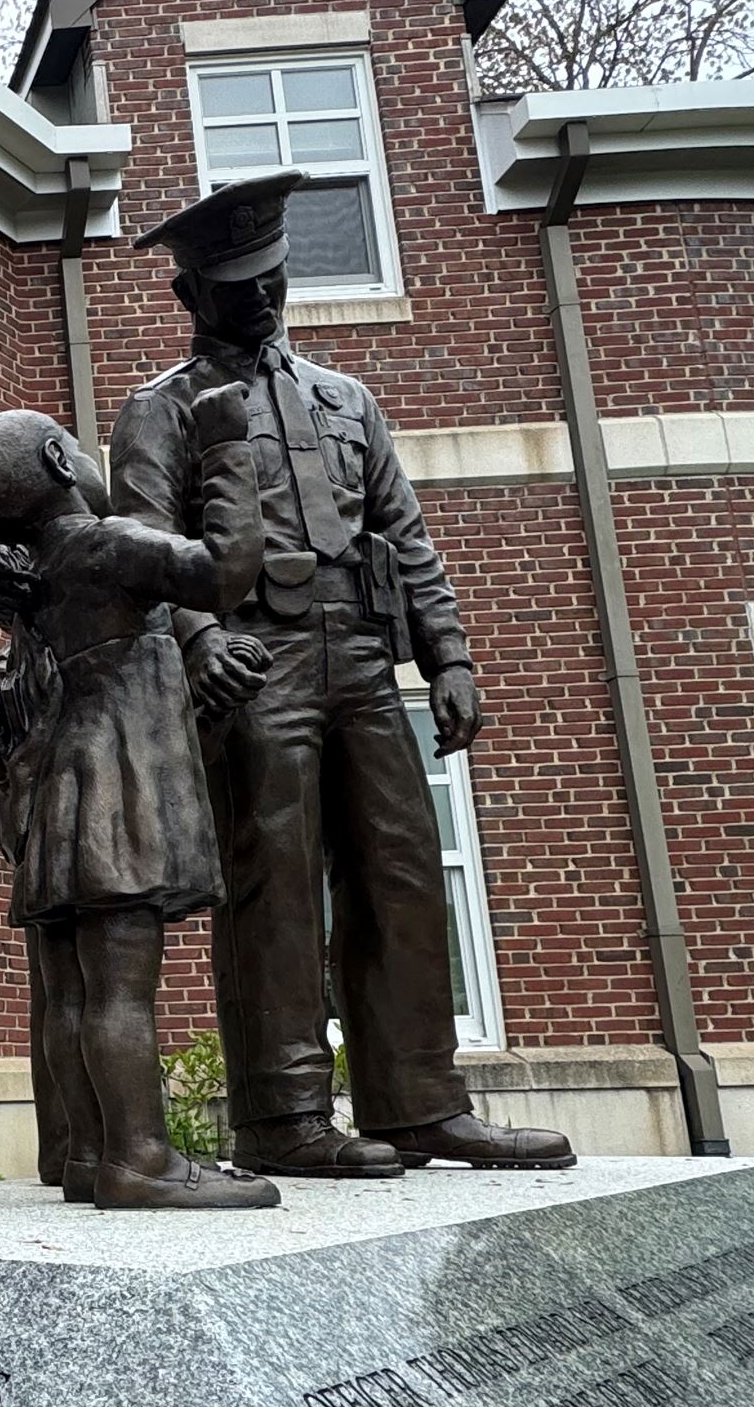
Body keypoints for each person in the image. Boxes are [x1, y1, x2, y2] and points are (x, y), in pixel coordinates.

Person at [110, 171, 574, 1177]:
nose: (262, 296)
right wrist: (200, 638)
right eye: (238, 283)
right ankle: (281, 1118)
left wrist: (448, 656)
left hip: (363, 657)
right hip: (255, 663)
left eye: (272, 276)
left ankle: (419, 1103)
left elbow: (405, 535)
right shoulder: (161, 410)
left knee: (400, 870)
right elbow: (144, 547)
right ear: (190, 293)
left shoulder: (345, 399)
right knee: (273, 886)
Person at [0, 398, 278, 1211]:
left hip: (57, 802)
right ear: (61, 463)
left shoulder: (29, 588)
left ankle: (87, 1154)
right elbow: (226, 569)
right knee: (122, 990)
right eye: (74, 447)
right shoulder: (109, 544)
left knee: (71, 993)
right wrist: (225, 449)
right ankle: (142, 1159)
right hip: (114, 791)